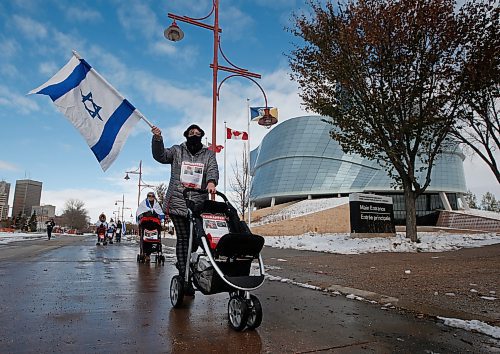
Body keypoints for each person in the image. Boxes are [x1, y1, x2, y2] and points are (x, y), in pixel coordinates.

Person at [151, 124, 219, 296]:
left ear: (201, 136)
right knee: (183, 238)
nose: (194, 135)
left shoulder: (208, 154)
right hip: (178, 202)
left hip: (198, 204)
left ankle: (187, 262)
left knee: (196, 239)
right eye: (191, 133)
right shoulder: (177, 151)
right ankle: (184, 274)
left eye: (197, 133)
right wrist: (158, 138)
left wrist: (211, 182)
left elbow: (213, 169)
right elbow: (160, 155)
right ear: (186, 135)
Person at [136, 192, 165, 262]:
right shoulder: (143, 204)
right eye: (149, 196)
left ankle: (154, 253)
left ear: (154, 197)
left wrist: (158, 216)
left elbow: (160, 213)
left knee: (154, 238)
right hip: (146, 225)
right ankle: (145, 254)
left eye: (152, 196)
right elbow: (139, 212)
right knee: (145, 239)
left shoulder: (157, 205)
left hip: (154, 226)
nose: (151, 197)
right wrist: (144, 215)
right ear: (147, 196)